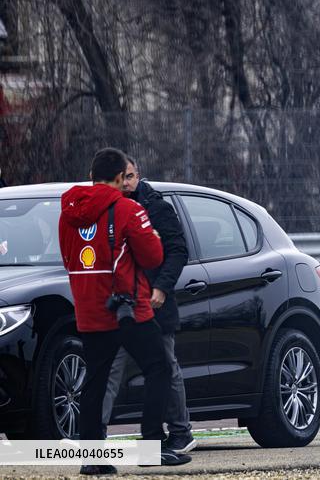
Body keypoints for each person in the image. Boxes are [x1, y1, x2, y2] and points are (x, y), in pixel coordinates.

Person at [58, 147, 191, 475]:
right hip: (127, 309)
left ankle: (93, 458)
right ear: (119, 178)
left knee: (95, 381)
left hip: (88, 309)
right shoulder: (128, 209)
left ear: (91, 177)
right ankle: (151, 446)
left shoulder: (67, 212)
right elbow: (153, 257)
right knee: (158, 367)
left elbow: (66, 258)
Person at [101, 157, 195, 454]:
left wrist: (162, 287)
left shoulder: (156, 207)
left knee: (166, 366)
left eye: (130, 177)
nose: (126, 183)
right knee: (108, 371)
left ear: (137, 175)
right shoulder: (108, 210)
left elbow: (178, 250)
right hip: (120, 305)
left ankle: (180, 433)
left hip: (154, 303)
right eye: (121, 178)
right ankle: (93, 438)